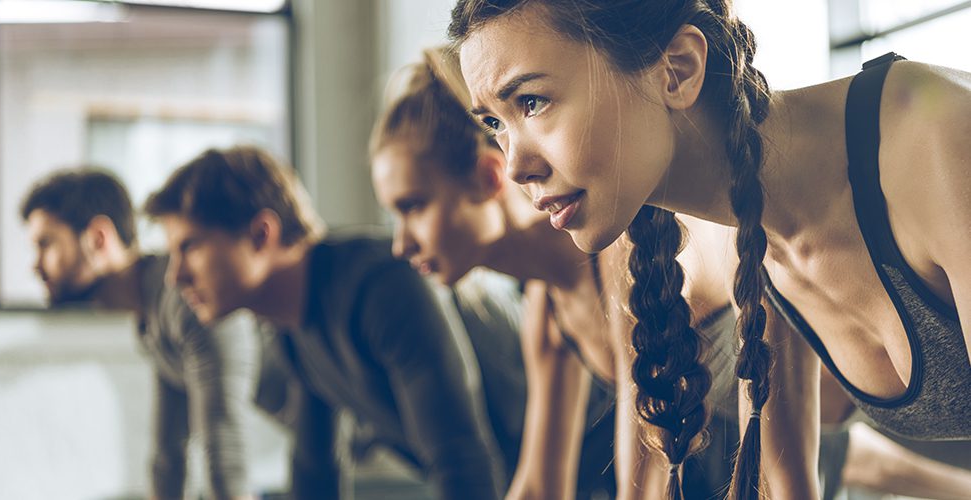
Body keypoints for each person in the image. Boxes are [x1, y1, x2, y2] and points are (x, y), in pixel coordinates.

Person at [449, 0, 971, 498]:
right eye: (494, 123)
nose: (515, 167)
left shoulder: (934, 138)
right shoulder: (748, 240)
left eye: (532, 102)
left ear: (677, 69)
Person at [369, 46, 739, 499]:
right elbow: (539, 486)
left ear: (489, 178)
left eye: (414, 207)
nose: (400, 243)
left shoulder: (627, 251)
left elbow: (643, 485)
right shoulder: (547, 305)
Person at [144, 145, 524, 500]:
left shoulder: (380, 287)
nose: (174, 276)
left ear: (262, 235)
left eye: (190, 247)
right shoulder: (290, 331)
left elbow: (462, 462)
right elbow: (316, 474)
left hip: (574, 470)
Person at [20, 169, 270, 500]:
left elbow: (225, 453)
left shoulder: (184, 297)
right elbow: (168, 458)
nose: (35, 266)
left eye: (45, 244)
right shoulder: (150, 317)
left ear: (98, 238)